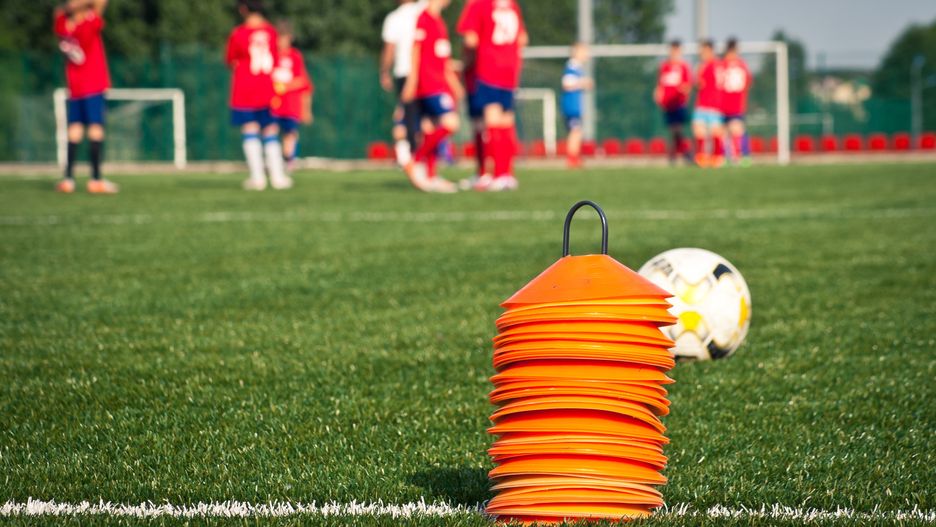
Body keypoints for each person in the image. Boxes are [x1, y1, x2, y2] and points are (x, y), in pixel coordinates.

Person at [459, 0, 528, 192]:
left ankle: (494, 175)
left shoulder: (480, 4)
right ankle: (507, 174)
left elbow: (470, 39)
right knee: (506, 121)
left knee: (490, 122)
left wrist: (465, 63)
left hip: (489, 68)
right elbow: (523, 38)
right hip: (510, 71)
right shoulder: (511, 4)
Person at [53, 0, 118, 194]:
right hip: (93, 83)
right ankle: (95, 179)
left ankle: (68, 179)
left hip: (75, 86)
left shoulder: (63, 23)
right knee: (95, 129)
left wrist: (71, 7)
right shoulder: (89, 22)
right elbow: (100, 3)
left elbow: (60, 12)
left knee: (74, 130)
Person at [226, 0, 291, 191]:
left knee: (250, 130)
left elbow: (231, 60)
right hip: (267, 88)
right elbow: (277, 57)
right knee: (270, 131)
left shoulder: (238, 33)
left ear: (243, 9)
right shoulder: (271, 32)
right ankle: (278, 177)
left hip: (245, 88)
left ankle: (257, 178)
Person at [401, 0, 463, 193]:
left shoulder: (438, 21)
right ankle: (415, 160)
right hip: (429, 84)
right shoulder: (424, 18)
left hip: (439, 83)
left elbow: (442, 60)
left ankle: (430, 175)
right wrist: (411, 82)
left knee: (431, 128)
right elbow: (415, 51)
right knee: (451, 123)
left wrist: (454, 83)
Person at [381, 0, 427, 167]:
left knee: (405, 116)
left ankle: (412, 156)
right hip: (421, 72)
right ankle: (416, 157)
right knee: (419, 117)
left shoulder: (393, 18)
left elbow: (389, 48)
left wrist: (384, 72)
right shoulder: (422, 10)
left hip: (404, 72)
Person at [271, 20, 313, 174]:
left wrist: (306, 108)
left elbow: (304, 82)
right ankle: (273, 161)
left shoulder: (295, 56)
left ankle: (288, 161)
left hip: (290, 105)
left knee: (290, 133)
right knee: (271, 131)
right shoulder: (271, 55)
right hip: (273, 104)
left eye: (284, 37)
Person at [456, 0, 489, 188]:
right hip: (486, 76)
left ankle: (489, 173)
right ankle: (491, 172)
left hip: (480, 77)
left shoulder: (476, 6)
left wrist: (464, 64)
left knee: (484, 125)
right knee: (485, 124)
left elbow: (471, 40)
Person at [654, 39, 693, 165]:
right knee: (673, 130)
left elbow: (688, 85)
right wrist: (658, 93)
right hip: (668, 104)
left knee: (677, 129)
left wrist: (684, 89)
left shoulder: (684, 67)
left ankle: (681, 154)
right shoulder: (665, 66)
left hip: (679, 103)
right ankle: (678, 155)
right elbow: (661, 83)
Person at [692, 40, 726, 168]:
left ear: (709, 50)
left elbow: (700, 84)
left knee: (714, 132)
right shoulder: (717, 64)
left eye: (703, 50)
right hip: (704, 104)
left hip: (711, 104)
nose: (701, 53)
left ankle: (715, 158)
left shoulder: (710, 65)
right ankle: (704, 158)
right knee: (699, 130)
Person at [720, 38, 753, 166]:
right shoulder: (723, 65)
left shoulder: (740, 65)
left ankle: (743, 156)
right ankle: (727, 157)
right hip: (722, 105)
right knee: (724, 132)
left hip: (736, 105)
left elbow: (747, 82)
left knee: (737, 130)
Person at [560, 42, 593, 169]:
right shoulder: (572, 67)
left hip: (575, 107)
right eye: (584, 52)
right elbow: (567, 84)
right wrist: (583, 83)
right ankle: (572, 159)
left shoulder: (577, 68)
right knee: (575, 132)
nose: (587, 55)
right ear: (577, 52)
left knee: (576, 132)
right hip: (571, 107)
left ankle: (575, 158)